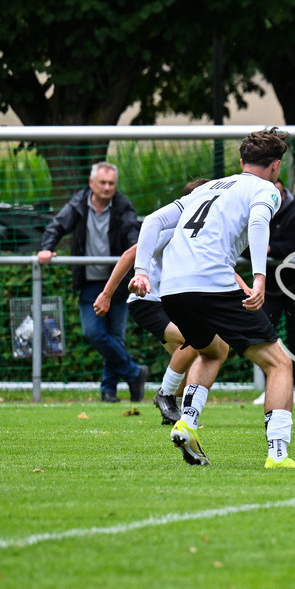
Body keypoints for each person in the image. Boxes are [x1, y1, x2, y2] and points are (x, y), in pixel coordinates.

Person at [131, 128, 295, 468]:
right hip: (211, 282)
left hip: (173, 289)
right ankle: (278, 454)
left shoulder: (206, 188)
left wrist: (141, 271)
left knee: (214, 349)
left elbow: (152, 221)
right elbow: (258, 222)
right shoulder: (266, 189)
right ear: (276, 166)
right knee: (279, 363)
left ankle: (187, 422)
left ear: (241, 162)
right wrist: (259, 278)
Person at [93, 179, 228, 425]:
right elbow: (128, 255)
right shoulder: (170, 229)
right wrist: (107, 294)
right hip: (148, 302)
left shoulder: (200, 233)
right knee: (194, 341)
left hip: (172, 301)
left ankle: (171, 409)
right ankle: (165, 396)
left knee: (193, 355)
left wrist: (247, 288)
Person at [38, 162, 147, 403]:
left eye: (111, 184)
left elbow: (133, 232)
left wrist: (135, 253)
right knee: (93, 332)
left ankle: (109, 390)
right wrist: (47, 248)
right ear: (92, 184)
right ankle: (134, 373)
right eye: (103, 183)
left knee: (116, 336)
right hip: (88, 282)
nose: (108, 188)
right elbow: (57, 226)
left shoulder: (122, 205)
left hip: (117, 281)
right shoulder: (78, 204)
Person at [262, 179, 295, 402]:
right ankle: (270, 387)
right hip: (267, 288)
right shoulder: (257, 211)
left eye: (277, 194)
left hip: (294, 288)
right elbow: (244, 246)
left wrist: (270, 247)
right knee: (265, 337)